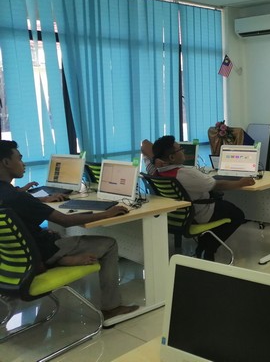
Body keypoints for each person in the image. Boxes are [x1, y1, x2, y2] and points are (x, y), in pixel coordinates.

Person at [0, 140, 138, 319]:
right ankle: (112, 307)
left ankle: (61, 259)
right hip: (39, 254)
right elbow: (66, 220)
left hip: (14, 261)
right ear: (6, 162)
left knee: (54, 232)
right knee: (110, 244)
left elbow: (21, 205)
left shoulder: (10, 195)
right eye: (19, 159)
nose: (23, 163)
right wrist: (107, 213)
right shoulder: (18, 198)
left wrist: (41, 200)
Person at [152, 135, 253, 260]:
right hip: (201, 212)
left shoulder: (158, 172)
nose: (183, 150)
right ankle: (209, 248)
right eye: (180, 149)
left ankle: (202, 245)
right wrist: (240, 183)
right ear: (172, 157)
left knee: (223, 204)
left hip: (177, 217)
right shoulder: (185, 174)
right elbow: (217, 185)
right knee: (238, 215)